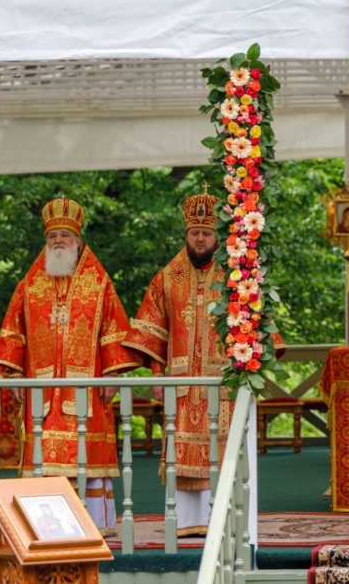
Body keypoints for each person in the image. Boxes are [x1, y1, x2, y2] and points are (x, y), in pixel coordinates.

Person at [124, 191, 284, 536]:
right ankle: (187, 523)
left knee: (222, 449)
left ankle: (221, 520)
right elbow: (153, 331)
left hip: (223, 382)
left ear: (217, 237)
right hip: (180, 384)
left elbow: (262, 327)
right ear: (186, 234)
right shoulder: (167, 277)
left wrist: (251, 372)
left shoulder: (236, 275)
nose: (200, 238)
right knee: (182, 453)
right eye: (195, 233)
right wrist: (156, 377)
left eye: (207, 233)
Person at [0, 198, 141, 535]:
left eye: (65, 235)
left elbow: (114, 330)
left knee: (87, 457)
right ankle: (42, 526)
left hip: (86, 394)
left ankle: (92, 524)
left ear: (78, 241)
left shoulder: (99, 283)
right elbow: (12, 332)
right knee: (41, 458)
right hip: (43, 396)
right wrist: (16, 374)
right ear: (46, 243)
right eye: (52, 237)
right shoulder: (30, 285)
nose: (58, 241)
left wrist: (111, 373)